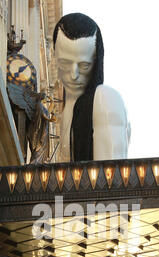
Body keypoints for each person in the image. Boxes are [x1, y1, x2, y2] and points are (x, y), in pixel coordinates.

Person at [53, 13, 130, 162]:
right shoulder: (64, 112)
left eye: (84, 66)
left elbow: (110, 176)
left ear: (96, 62)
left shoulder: (105, 100)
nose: (74, 75)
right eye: (65, 63)